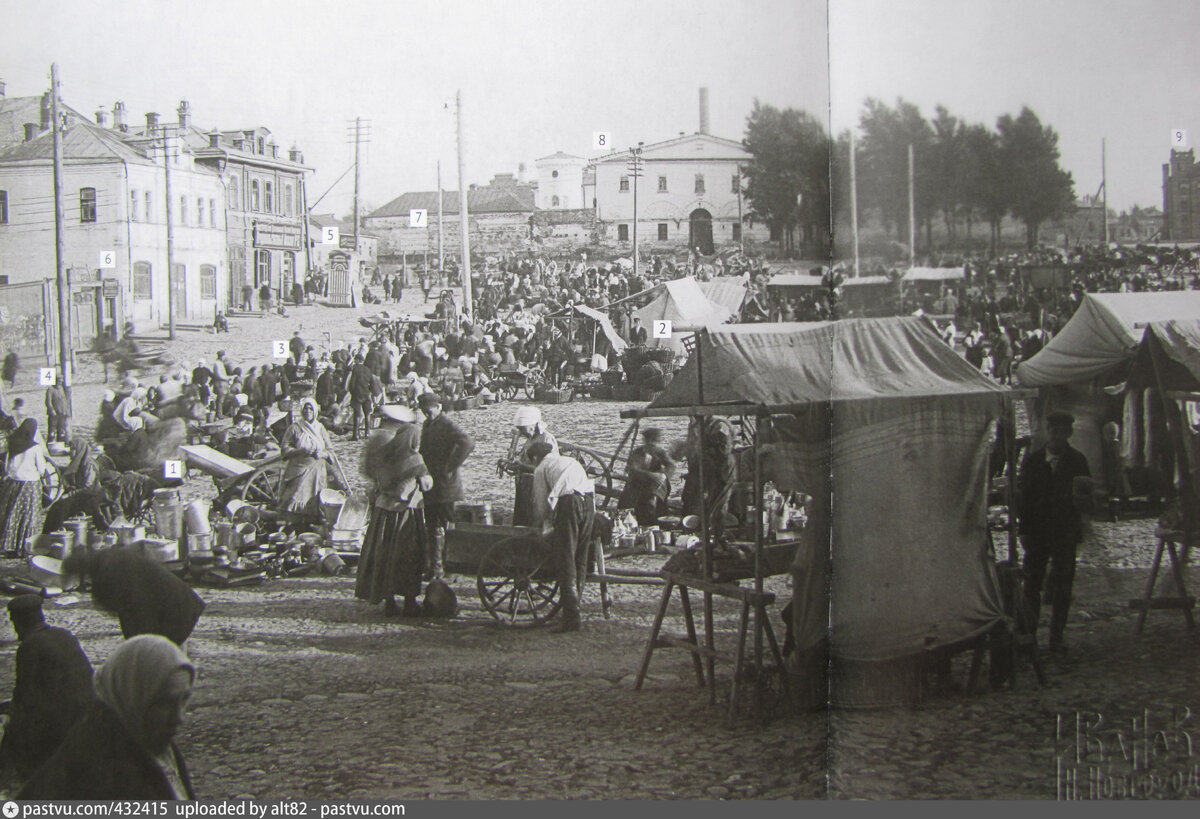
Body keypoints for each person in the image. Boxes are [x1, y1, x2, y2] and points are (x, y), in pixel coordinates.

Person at [19, 635, 196, 800]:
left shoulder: (148, 739)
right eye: (164, 702)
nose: (179, 717)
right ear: (131, 694)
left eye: (184, 699)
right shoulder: (103, 771)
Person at [1017, 411, 1092, 656]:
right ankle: (1028, 639)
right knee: (1031, 586)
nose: (1057, 436)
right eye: (1053, 431)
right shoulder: (1033, 461)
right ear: (1047, 432)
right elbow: (1024, 500)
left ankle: (1056, 640)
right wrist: (1024, 531)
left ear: (1069, 433)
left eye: (1062, 431)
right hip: (1038, 533)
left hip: (1064, 533)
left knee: (1062, 587)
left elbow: (1085, 500)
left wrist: (1079, 514)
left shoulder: (1078, 461)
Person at [0, 595, 95, 789]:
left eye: (14, 622)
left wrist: (10, 726)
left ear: (19, 622)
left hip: (61, 724)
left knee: (14, 729)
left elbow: (24, 698)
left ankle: (10, 781)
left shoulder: (30, 647)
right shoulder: (64, 635)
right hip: (89, 713)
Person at [355, 405, 433, 617]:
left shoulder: (385, 453)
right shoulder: (415, 460)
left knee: (385, 556)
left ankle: (389, 601)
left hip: (383, 512)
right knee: (408, 557)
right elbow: (427, 485)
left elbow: (370, 473)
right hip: (407, 513)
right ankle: (409, 602)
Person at [64, 548, 206, 645]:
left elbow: (132, 606)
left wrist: (138, 643)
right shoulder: (108, 557)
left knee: (157, 660)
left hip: (176, 610)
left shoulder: (108, 569)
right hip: (182, 602)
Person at [528, 441, 595, 633]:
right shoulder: (568, 461)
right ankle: (575, 607)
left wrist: (538, 528)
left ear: (535, 458)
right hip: (589, 502)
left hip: (570, 504)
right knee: (580, 558)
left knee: (566, 558)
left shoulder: (541, 468)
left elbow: (541, 507)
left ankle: (571, 618)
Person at [417, 393, 475, 579]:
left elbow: (467, 442)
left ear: (439, 407)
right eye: (424, 411)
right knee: (431, 525)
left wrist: (450, 466)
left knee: (446, 526)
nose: (428, 414)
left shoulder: (447, 424)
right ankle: (434, 567)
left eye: (430, 410)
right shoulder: (427, 424)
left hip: (446, 485)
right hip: (431, 483)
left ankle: (449, 566)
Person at [0, 420, 56, 557]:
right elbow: (42, 469)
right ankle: (26, 547)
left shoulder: (12, 443)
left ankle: (10, 546)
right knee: (29, 516)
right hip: (30, 485)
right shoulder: (35, 448)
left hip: (14, 483)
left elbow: (7, 467)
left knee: (13, 514)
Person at [278, 397, 337, 516]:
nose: (307, 411)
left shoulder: (320, 428)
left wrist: (322, 454)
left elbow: (330, 451)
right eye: (305, 408)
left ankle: (312, 516)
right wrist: (299, 451)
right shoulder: (294, 428)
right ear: (301, 410)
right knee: (297, 494)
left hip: (318, 469)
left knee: (315, 498)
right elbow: (284, 449)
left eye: (310, 409)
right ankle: (295, 517)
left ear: (315, 411)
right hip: (299, 467)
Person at [507, 406, 558, 526]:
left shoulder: (547, 439)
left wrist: (523, 466)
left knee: (537, 518)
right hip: (526, 485)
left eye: (523, 429)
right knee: (523, 518)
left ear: (533, 425)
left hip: (540, 485)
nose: (522, 433)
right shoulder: (529, 440)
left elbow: (549, 469)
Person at [618, 427, 675, 527]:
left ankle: (656, 522)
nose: (651, 444)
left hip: (653, 486)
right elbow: (632, 469)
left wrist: (663, 476)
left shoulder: (659, 452)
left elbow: (671, 466)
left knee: (654, 501)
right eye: (649, 441)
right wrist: (649, 475)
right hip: (638, 484)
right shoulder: (638, 452)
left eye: (654, 442)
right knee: (627, 500)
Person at [344, 355, 376, 441]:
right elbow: (373, 383)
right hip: (366, 394)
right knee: (367, 414)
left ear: (357, 360)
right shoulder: (368, 370)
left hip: (357, 394)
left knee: (357, 415)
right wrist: (369, 391)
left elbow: (352, 383)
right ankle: (367, 433)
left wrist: (352, 392)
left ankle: (355, 435)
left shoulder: (355, 369)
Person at [44, 375, 69, 443]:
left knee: (61, 431)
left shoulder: (61, 389)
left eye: (61, 381)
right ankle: (50, 444)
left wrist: (66, 411)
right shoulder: (50, 389)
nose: (60, 383)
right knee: (52, 431)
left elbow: (64, 400)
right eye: (58, 381)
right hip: (54, 414)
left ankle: (60, 444)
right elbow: (48, 401)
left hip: (62, 413)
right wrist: (52, 410)